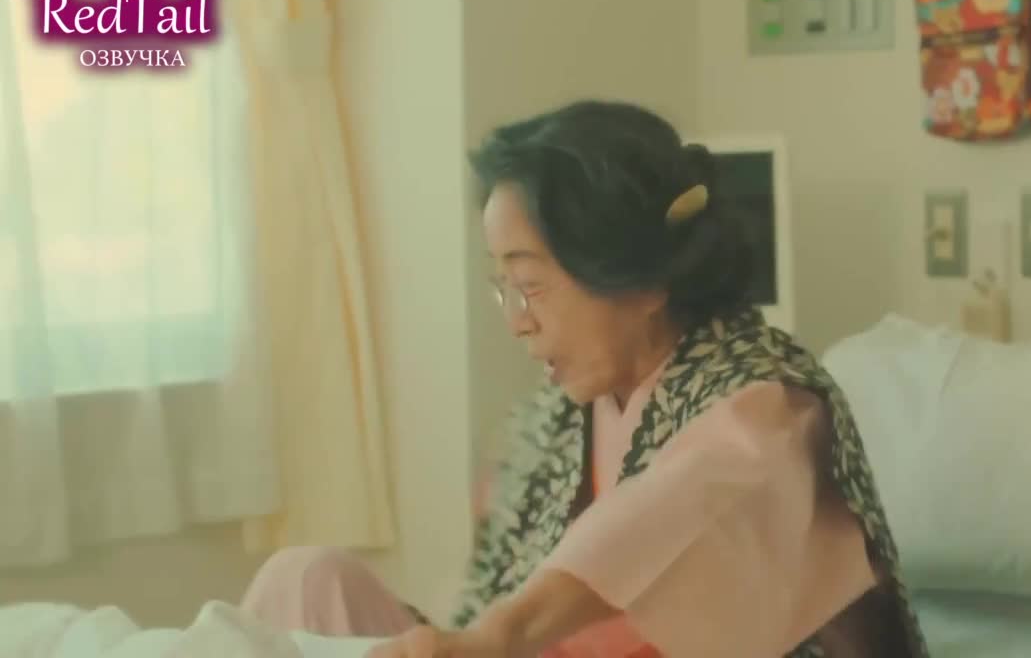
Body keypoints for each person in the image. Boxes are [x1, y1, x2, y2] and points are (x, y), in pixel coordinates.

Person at [238, 100, 930, 658]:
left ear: (644, 281)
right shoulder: (558, 415)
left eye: (532, 286)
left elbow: (662, 519)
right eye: (503, 288)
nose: (517, 322)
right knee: (305, 580)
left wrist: (499, 636)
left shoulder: (767, 402)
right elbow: (484, 600)